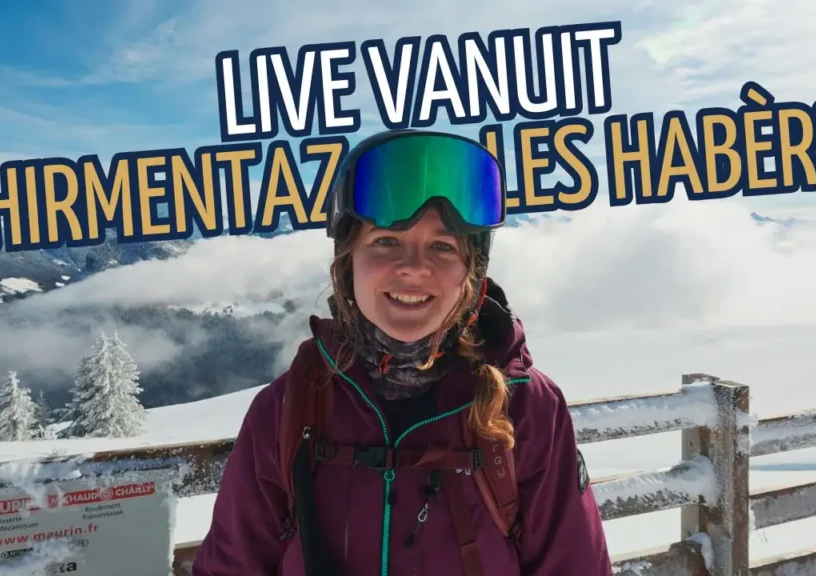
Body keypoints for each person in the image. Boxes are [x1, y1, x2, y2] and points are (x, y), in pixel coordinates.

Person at [191, 129, 613, 576]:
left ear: (470, 275)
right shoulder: (285, 411)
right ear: (347, 262)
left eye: (442, 247)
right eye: (386, 241)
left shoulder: (526, 409)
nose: (413, 267)